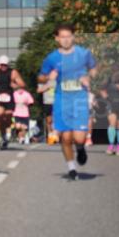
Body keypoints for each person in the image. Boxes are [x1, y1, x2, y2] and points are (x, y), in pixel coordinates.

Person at [38, 23, 97, 181]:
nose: (65, 40)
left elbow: (94, 68)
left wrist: (88, 77)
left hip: (79, 99)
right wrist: (48, 77)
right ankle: (71, 168)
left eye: (68, 36)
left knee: (78, 138)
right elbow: (41, 76)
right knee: (65, 138)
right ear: (57, 38)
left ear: (73, 37)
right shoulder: (52, 58)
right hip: (61, 101)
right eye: (62, 37)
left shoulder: (83, 54)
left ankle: (80, 147)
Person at [0, 55, 25, 150]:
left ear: (8, 65)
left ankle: (6, 131)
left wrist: (15, 85)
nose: (3, 67)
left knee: (8, 118)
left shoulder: (13, 72)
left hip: (9, 98)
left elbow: (22, 84)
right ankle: (4, 137)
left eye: (5, 65)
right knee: (0, 116)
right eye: (1, 65)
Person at [100, 68, 119, 155]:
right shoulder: (108, 81)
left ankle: (118, 146)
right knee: (112, 124)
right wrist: (107, 98)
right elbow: (102, 90)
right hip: (111, 104)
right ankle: (111, 145)